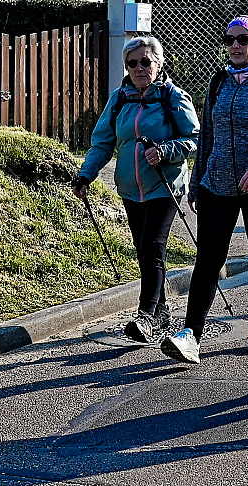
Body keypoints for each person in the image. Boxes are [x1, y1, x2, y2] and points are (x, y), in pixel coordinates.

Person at [160, 16, 248, 364]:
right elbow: (207, 135)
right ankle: (190, 335)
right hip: (216, 184)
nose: (235, 45)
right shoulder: (219, 81)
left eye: (243, 39)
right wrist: (197, 182)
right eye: (229, 39)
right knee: (208, 258)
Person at [72, 36, 199, 342]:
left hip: (164, 186)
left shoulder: (173, 97)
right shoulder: (119, 99)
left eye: (146, 61)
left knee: (152, 246)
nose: (139, 68)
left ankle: (145, 316)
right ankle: (161, 311)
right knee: (144, 251)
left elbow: (196, 138)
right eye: (132, 63)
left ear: (159, 63)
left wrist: (166, 151)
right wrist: (85, 175)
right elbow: (102, 142)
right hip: (130, 189)